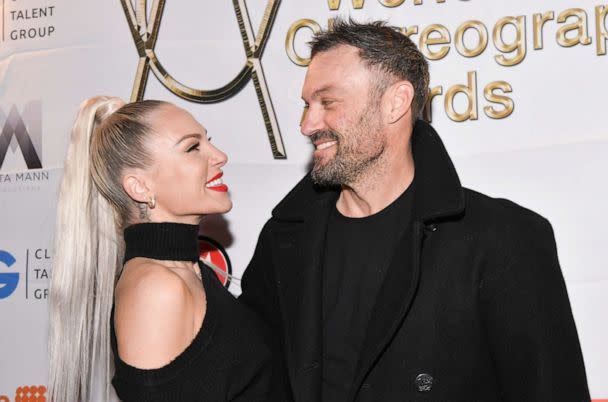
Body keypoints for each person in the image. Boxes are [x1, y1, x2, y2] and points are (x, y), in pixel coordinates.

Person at [240, 20, 590, 402]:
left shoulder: (503, 238)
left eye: (328, 102)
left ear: (396, 102)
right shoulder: (284, 240)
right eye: (307, 105)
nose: (307, 124)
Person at [48, 97, 271, 402]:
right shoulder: (155, 288)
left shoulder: (185, 271)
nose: (220, 156)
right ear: (140, 187)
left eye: (209, 142)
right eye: (193, 148)